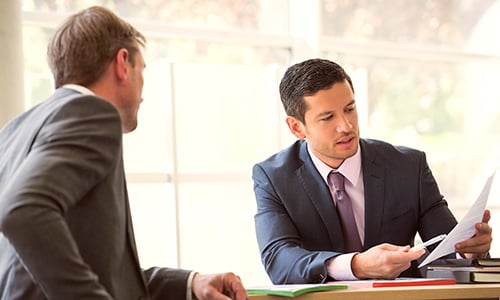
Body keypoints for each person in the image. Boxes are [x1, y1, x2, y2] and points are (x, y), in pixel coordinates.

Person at [0, 6, 246, 300]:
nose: (143, 91)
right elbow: (21, 212)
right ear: (122, 63)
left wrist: (190, 283)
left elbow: (98, 273)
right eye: (142, 70)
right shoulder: (92, 112)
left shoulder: (15, 129)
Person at [252, 58, 493, 284]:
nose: (346, 126)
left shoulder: (408, 167)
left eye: (350, 109)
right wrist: (355, 265)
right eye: (328, 117)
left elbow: (447, 251)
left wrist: (470, 251)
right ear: (297, 128)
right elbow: (279, 260)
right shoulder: (273, 178)